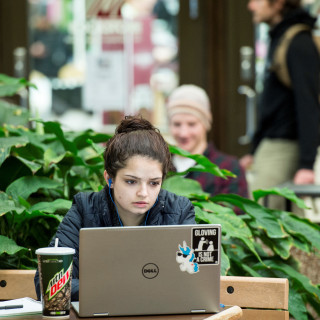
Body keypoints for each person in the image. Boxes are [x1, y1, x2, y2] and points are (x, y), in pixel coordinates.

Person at [34, 116, 195, 301]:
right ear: (109, 178)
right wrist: (129, 286)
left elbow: (192, 279)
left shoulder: (179, 211)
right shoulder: (84, 210)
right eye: (131, 181)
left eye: (153, 183)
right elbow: (49, 283)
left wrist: (108, 287)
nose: (143, 193)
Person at [241, 0, 320, 208]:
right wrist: (255, 150)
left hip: (284, 148)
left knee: (260, 222)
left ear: (278, 4)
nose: (251, 6)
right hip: (274, 144)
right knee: (289, 227)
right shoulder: (281, 37)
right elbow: (273, 104)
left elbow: (308, 104)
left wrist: (306, 165)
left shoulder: (298, 42)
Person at [167, 84, 249, 199]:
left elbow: (235, 213)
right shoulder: (161, 166)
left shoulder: (228, 168)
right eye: (177, 124)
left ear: (205, 124)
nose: (183, 133)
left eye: (192, 124)